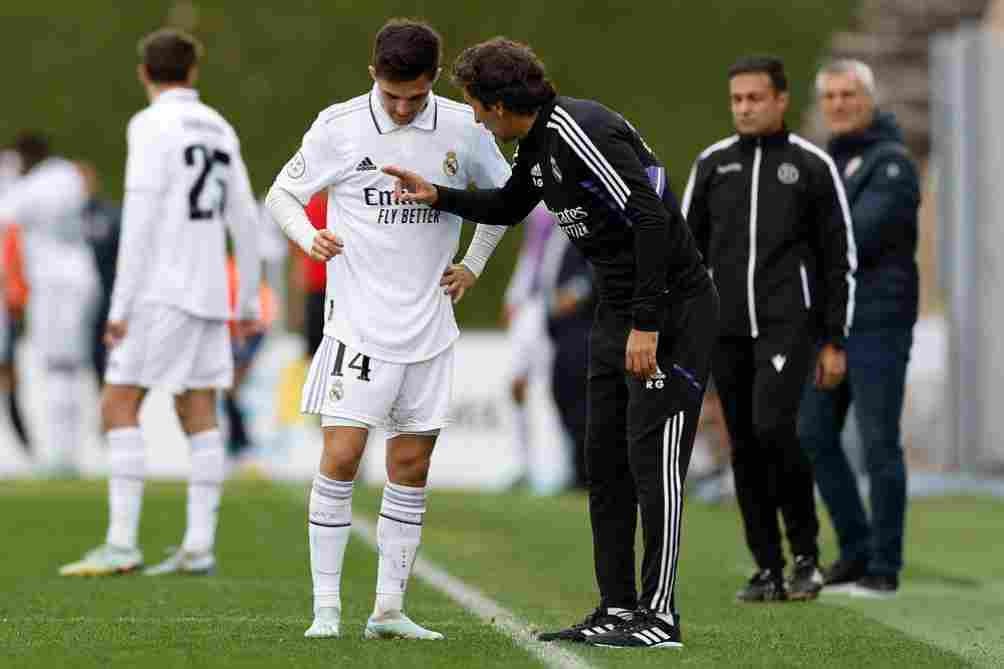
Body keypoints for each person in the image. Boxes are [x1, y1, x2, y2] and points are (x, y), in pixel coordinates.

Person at [384, 37, 718, 649]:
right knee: (604, 462)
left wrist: (648, 322)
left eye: (478, 108)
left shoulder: (579, 131)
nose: (478, 120)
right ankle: (617, 608)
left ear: (501, 103)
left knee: (655, 464)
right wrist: (441, 196)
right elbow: (512, 204)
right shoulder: (538, 146)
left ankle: (660, 616)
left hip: (670, 311)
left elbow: (651, 220)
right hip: (617, 313)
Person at [264, 19, 510, 641]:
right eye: (392, 94)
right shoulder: (338, 125)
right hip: (358, 324)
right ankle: (324, 611)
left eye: (416, 96)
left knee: (411, 462)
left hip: (430, 322)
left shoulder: (463, 125)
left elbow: (507, 199)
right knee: (342, 455)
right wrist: (308, 237)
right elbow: (282, 195)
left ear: (434, 80)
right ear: (373, 72)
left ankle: (389, 609)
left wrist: (473, 265)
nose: (403, 107)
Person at [59, 28, 261, 577]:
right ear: (193, 72)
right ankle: (199, 545)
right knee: (198, 411)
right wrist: (244, 300)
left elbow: (141, 217)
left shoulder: (149, 125)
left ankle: (122, 543)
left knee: (118, 404)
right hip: (209, 294)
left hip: (160, 291)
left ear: (144, 73)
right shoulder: (219, 126)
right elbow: (245, 216)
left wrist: (120, 307)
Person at [682, 55, 856, 602]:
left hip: (788, 328)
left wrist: (832, 339)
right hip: (727, 331)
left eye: (755, 98)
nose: (744, 108)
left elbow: (838, 259)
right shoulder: (713, 165)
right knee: (743, 448)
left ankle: (806, 556)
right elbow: (687, 256)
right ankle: (767, 568)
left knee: (774, 432)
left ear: (781, 100)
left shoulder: (811, 166)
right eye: (737, 99)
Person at [799, 60, 919, 598]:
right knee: (815, 433)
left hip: (879, 322)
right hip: (832, 325)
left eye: (849, 94)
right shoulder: (827, 162)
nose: (840, 104)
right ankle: (856, 548)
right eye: (830, 96)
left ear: (869, 99)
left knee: (878, 442)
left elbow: (856, 237)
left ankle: (884, 566)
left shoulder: (892, 163)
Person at [0, 131, 101, 475]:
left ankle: (62, 454)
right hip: (79, 277)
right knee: (71, 368)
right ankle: (69, 450)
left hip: (55, 285)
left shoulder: (37, 185)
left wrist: (8, 174)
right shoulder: (67, 175)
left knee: (58, 367)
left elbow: (6, 212)